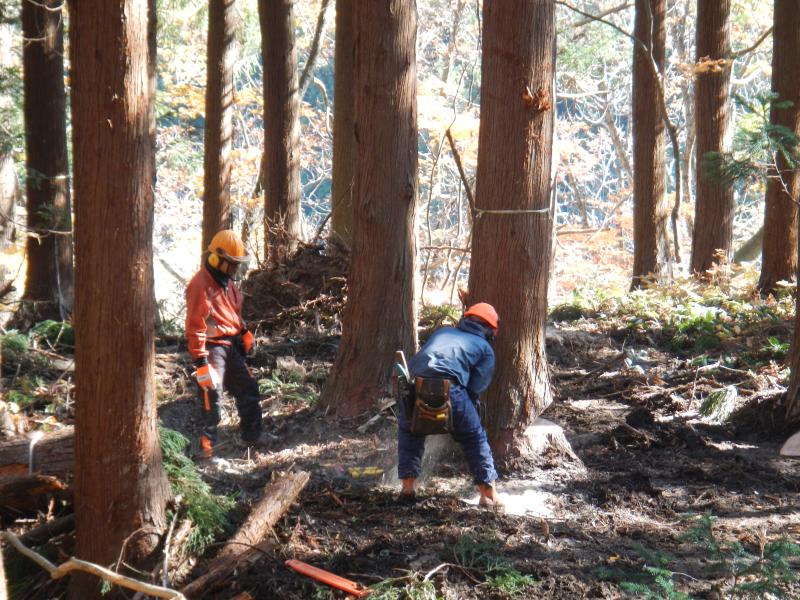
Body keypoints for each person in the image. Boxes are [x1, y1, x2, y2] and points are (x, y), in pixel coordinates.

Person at [398, 302, 503, 509]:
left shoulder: (443, 332)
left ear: (466, 319)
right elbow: (475, 387)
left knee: (410, 432)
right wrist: (464, 416)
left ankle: (407, 488)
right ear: (491, 329)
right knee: (475, 438)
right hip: (451, 388)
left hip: (413, 386)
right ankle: (488, 495)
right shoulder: (485, 348)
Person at [185, 229, 264, 458]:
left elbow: (232, 313)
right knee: (212, 396)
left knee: (249, 389)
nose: (234, 269)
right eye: (231, 264)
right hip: (211, 348)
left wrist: (244, 332)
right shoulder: (200, 284)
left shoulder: (228, 284)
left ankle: (252, 438)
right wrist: (200, 361)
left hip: (230, 346)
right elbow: (195, 325)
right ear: (216, 259)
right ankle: (206, 451)